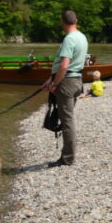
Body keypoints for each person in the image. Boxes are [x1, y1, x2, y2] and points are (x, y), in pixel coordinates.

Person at [42, 10, 88, 168]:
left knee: (67, 121)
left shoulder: (69, 39)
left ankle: (67, 158)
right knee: (68, 119)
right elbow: (69, 65)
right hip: (77, 80)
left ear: (62, 22)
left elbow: (64, 65)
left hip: (67, 83)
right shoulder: (82, 37)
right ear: (76, 20)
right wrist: (51, 79)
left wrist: (55, 84)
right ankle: (68, 155)